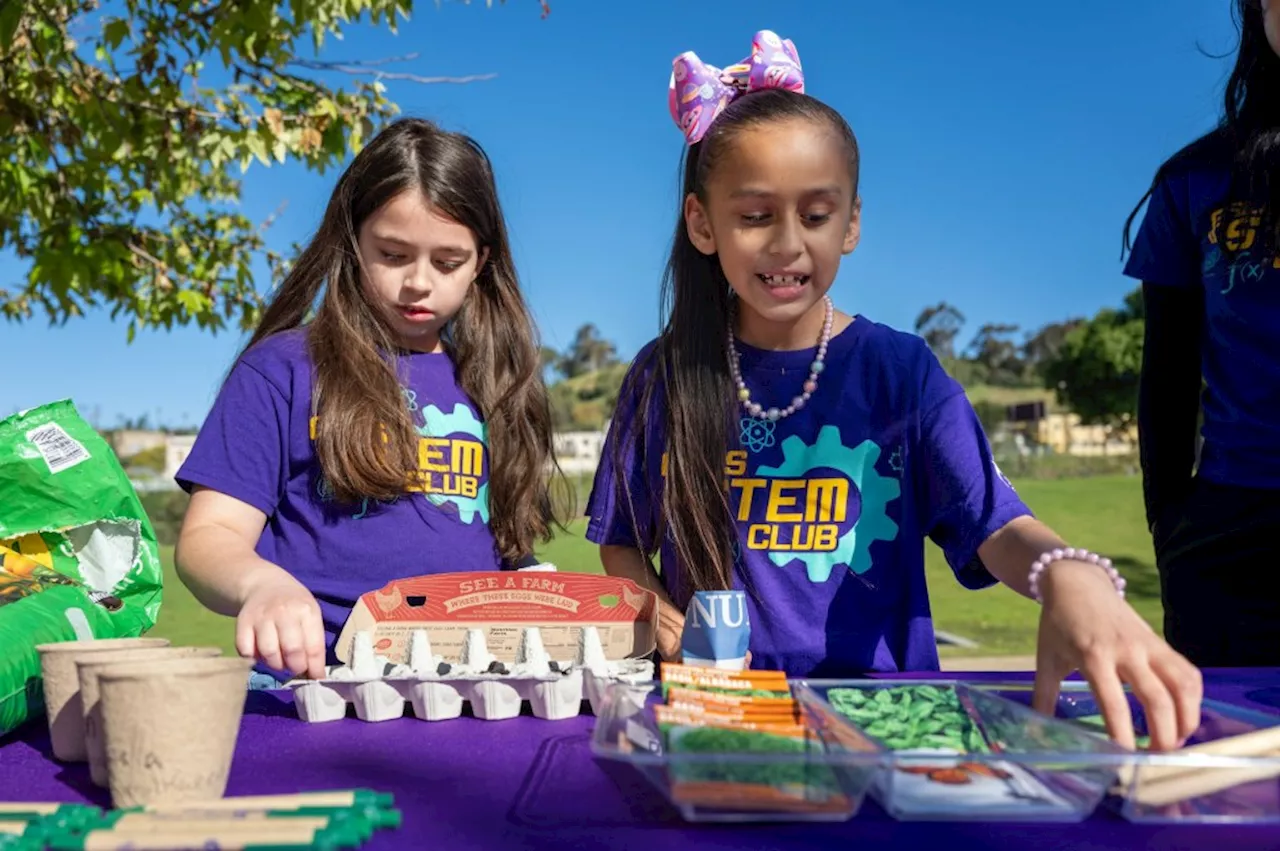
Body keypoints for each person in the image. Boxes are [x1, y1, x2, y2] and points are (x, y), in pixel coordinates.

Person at [586, 30, 1202, 750]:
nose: (788, 242)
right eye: (755, 216)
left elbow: (994, 523)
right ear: (703, 222)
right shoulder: (661, 377)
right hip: (719, 725)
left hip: (884, 731)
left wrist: (1067, 572)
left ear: (851, 223)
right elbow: (621, 543)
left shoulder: (902, 372)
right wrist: (665, 619)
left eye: (816, 215)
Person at [174, 118, 565, 685]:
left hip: (475, 682)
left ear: (481, 261)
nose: (418, 283)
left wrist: (532, 577)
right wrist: (262, 585)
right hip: (314, 681)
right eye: (393, 254)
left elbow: (497, 543)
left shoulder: (498, 381)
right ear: (353, 241)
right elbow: (209, 540)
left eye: (448, 262)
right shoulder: (282, 369)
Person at [1123, 0, 1280, 668]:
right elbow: (1167, 372)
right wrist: (1170, 521)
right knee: (1225, 763)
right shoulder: (1193, 179)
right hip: (1229, 537)